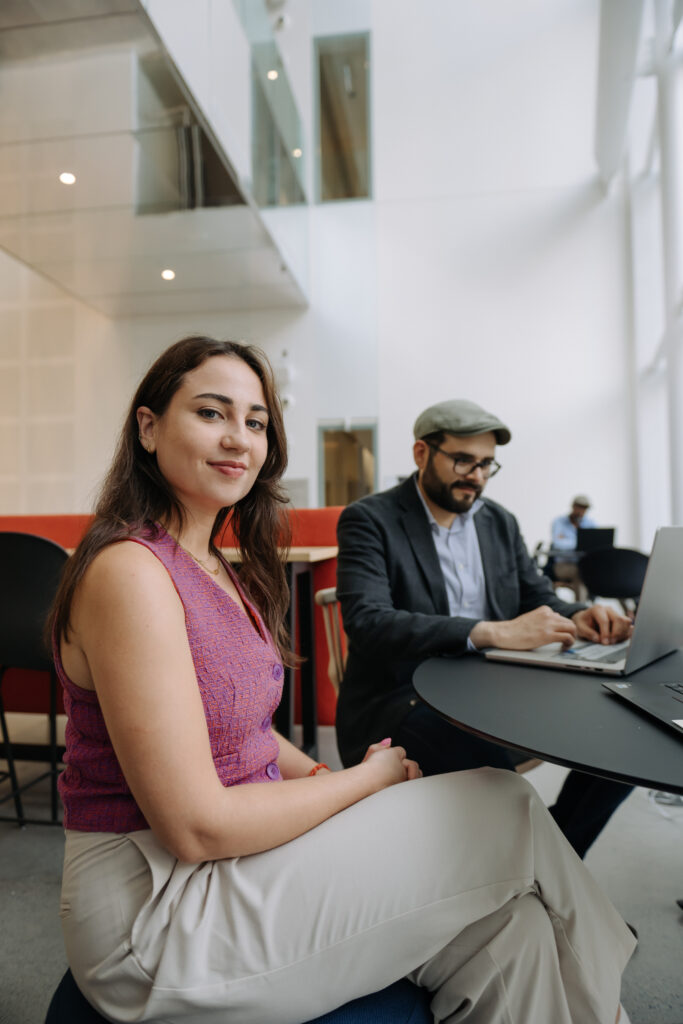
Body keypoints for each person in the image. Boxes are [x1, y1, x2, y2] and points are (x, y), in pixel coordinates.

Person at [51, 343, 635, 1024]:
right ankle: (612, 990)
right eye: (212, 412)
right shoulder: (130, 572)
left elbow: (242, 731)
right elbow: (196, 828)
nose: (238, 437)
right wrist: (365, 782)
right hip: (157, 910)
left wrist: (323, 777)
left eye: (257, 422)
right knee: (503, 801)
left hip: (240, 860)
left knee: (515, 933)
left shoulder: (213, 566)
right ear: (148, 427)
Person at [335, 399, 634, 859]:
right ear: (421, 454)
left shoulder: (498, 521)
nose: (475, 475)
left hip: (501, 687)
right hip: (406, 697)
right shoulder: (369, 520)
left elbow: (537, 596)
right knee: (505, 794)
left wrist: (577, 614)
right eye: (462, 460)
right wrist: (491, 632)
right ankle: (549, 885)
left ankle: (547, 872)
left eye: (486, 464)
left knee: (621, 738)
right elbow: (369, 622)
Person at [548, 496, 598, 590]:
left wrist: (569, 541)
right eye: (579, 507)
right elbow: (558, 544)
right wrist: (580, 544)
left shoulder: (590, 523)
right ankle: (581, 604)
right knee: (580, 573)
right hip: (563, 565)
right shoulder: (559, 522)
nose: (581, 511)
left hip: (585, 564)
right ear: (573, 506)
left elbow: (596, 543)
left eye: (584, 509)